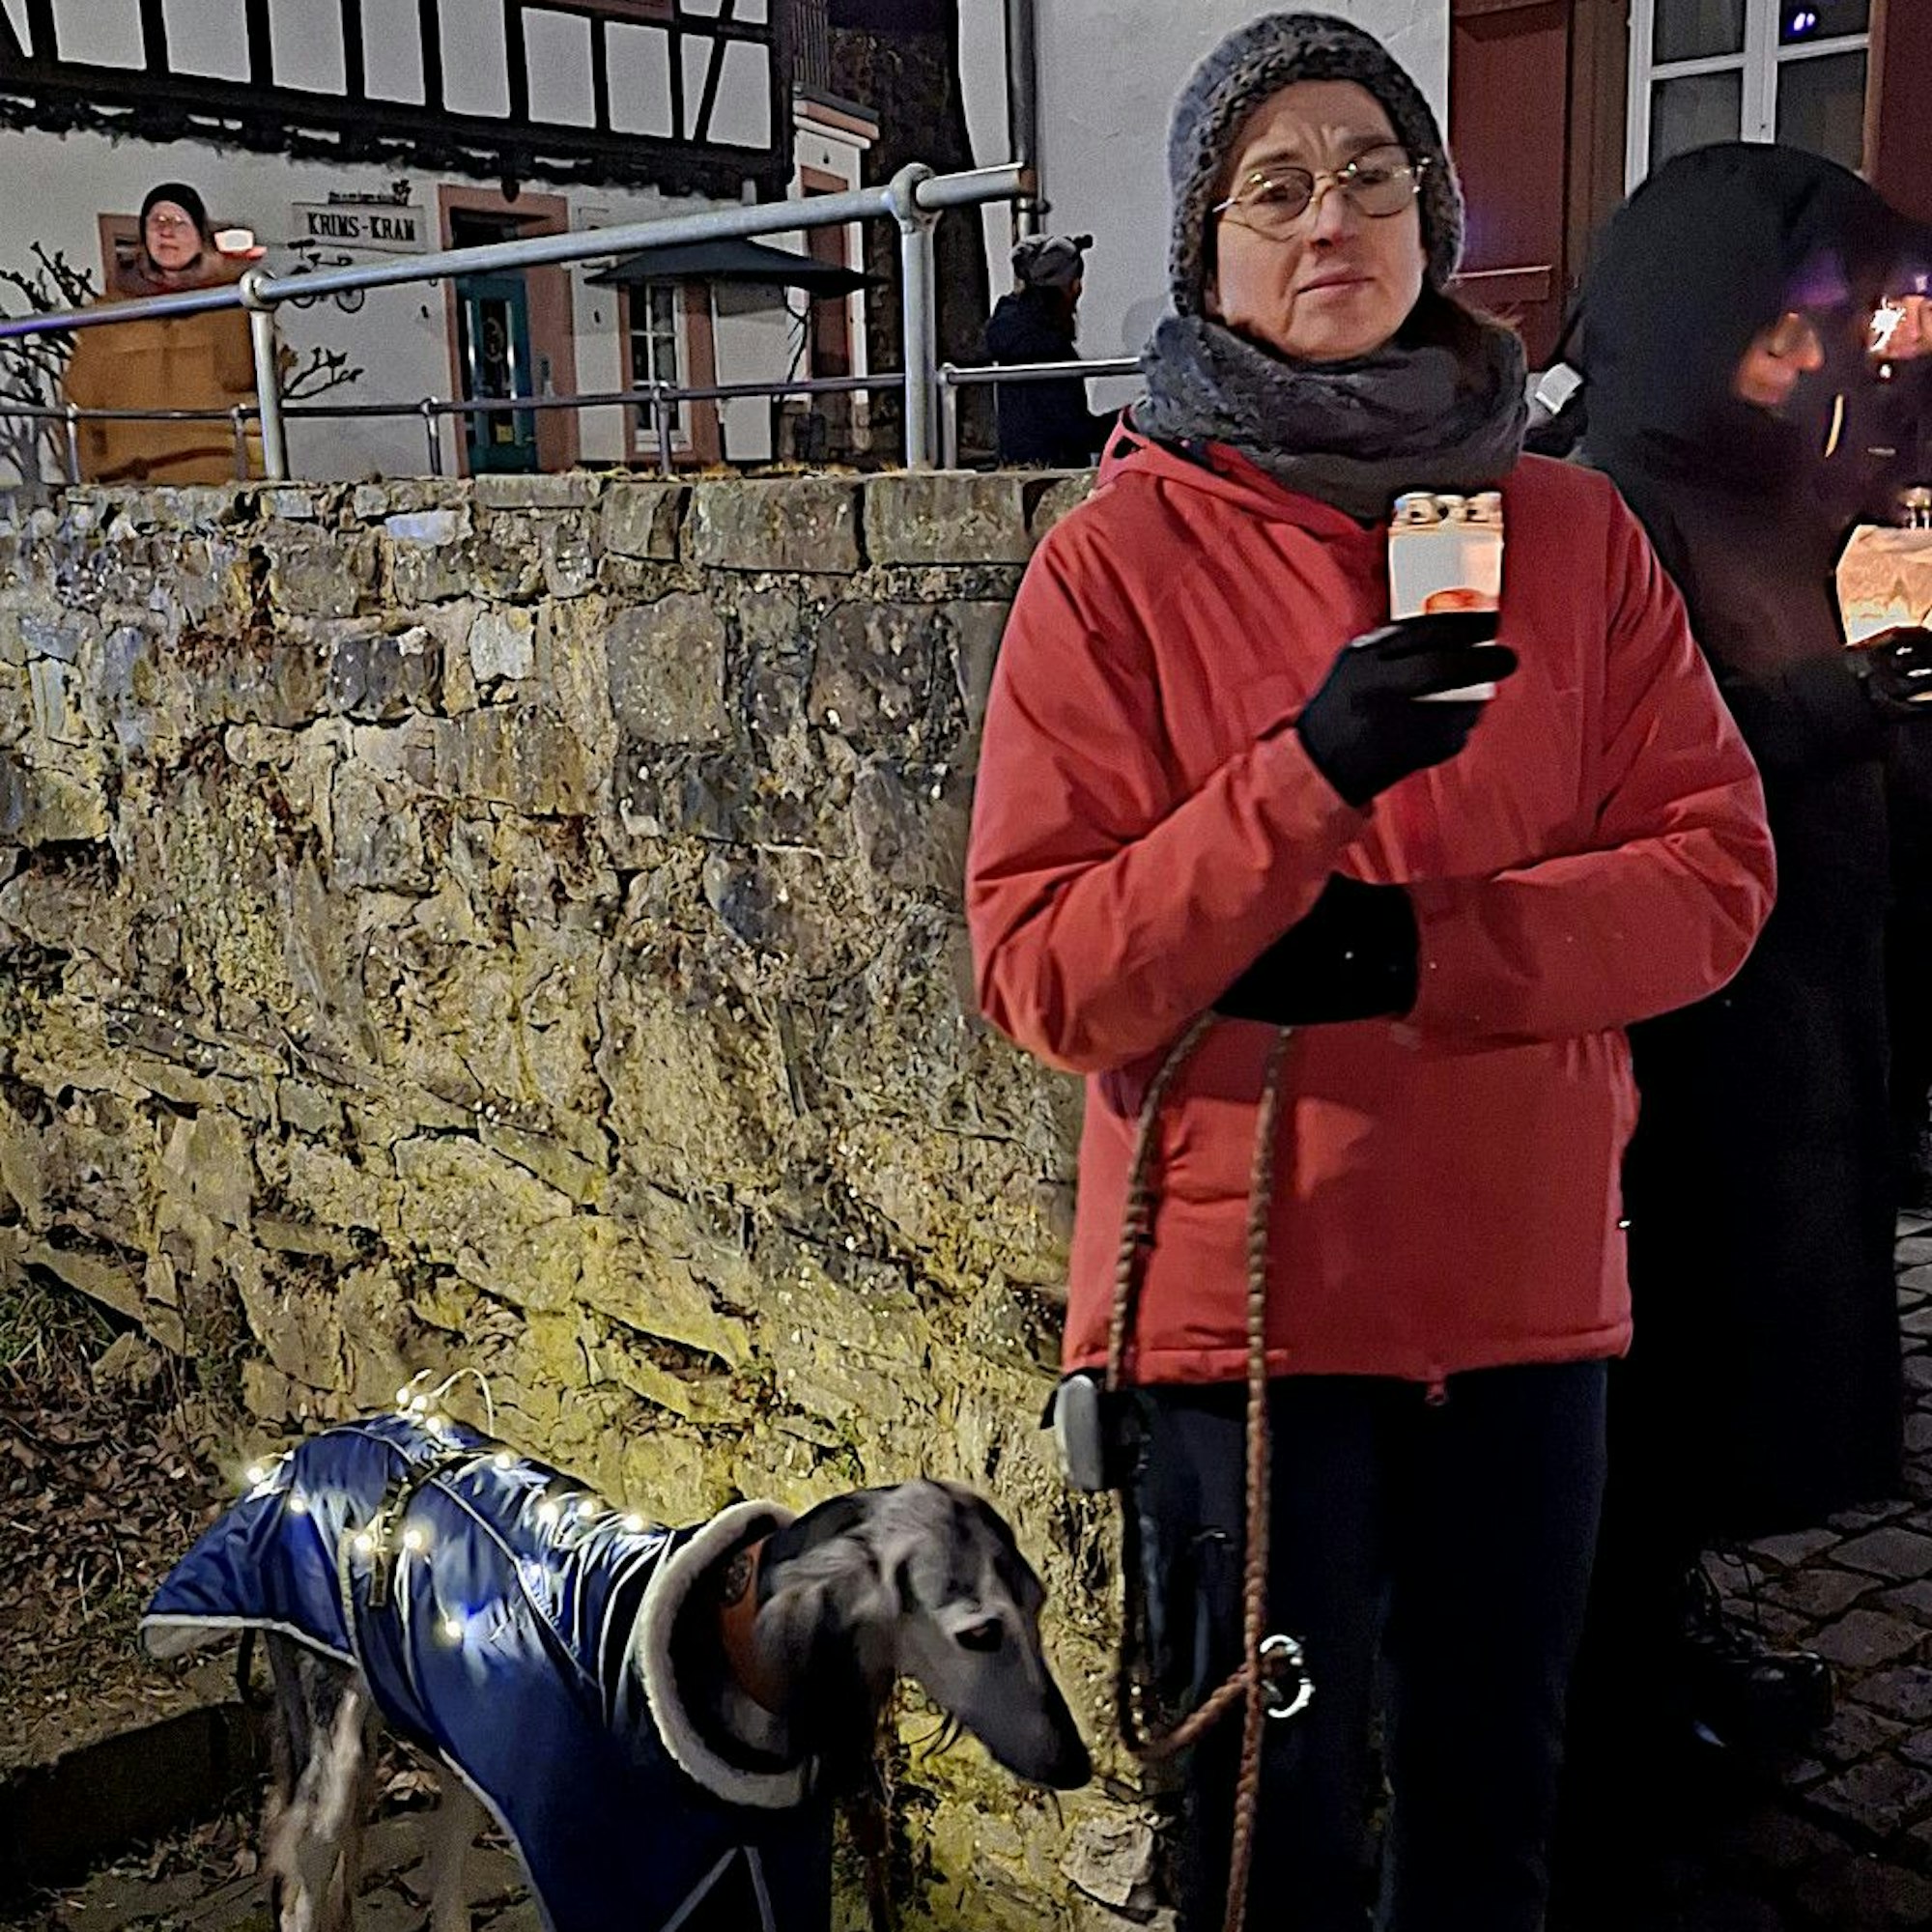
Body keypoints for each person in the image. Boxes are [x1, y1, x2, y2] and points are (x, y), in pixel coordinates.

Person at [964, 14, 1776, 1930]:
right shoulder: (1114, 566)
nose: (1329, 213)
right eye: (1274, 185)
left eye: (1371, 172)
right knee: (1271, 1835)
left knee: (1495, 1819)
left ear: (1431, 216)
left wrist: (1425, 945)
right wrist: (1304, 779)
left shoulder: (1569, 535)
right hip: (1243, 1342)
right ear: (1206, 251)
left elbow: (1717, 872)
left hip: (1517, 1311)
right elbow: (1043, 971)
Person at [1553, 144, 1931, 1910]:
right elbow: (1618, 788)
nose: (1835, 373)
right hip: (1664, 1071)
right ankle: (1616, 1729)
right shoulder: (1600, 511)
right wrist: (1832, 711)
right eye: (1793, 337)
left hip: (1777, 1032)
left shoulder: (1770, 501)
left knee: (1721, 1396)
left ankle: (1665, 1665)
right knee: (1656, 1396)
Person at [62, 183, 261, 486]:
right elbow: (79, 403)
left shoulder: (231, 303)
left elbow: (251, 377)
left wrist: (228, 279)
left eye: (179, 222)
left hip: (218, 478)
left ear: (199, 236)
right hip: (130, 481)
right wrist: (92, 475)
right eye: (157, 222)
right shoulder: (110, 313)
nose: (167, 232)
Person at [984, 232, 1112, 466]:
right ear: (1072, 286)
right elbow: (1076, 431)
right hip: (1055, 471)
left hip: (1018, 465)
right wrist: (1131, 418)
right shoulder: (1051, 347)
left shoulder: (1011, 335)